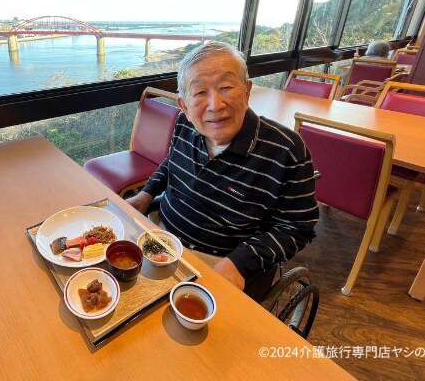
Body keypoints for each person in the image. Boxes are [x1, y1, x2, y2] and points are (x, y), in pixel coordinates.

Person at [126, 41, 319, 302]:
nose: (215, 105)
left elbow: (298, 226)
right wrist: (146, 194)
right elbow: (172, 162)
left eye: (226, 87)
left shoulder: (287, 150)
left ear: (247, 90)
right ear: (184, 105)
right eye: (200, 93)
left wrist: (240, 262)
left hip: (222, 263)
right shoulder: (185, 124)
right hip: (161, 240)